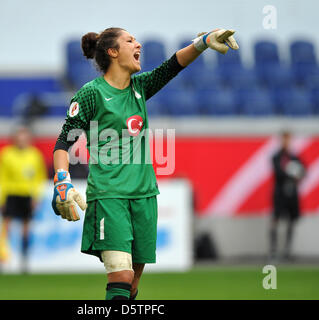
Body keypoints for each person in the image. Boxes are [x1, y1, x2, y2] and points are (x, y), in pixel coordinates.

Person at [52, 27, 238, 300]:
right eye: (129, 41)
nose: (137, 44)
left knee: (133, 283)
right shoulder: (90, 94)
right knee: (121, 274)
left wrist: (204, 42)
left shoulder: (140, 87)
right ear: (113, 52)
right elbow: (62, 143)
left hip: (145, 196)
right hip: (109, 196)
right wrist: (62, 181)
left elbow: (173, 66)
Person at [0, 126, 47, 273]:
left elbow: (39, 178)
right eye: (19, 138)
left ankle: (24, 262)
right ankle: (0, 261)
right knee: (5, 228)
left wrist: (36, 196)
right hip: (11, 194)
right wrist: (1, 199)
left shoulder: (35, 155)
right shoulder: (6, 154)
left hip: (27, 195)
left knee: (26, 229)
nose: (22, 141)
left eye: (25, 138)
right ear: (14, 139)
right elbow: (1, 178)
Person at [269, 131, 306, 262]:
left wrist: (293, 172)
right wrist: (291, 171)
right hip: (280, 194)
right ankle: (273, 251)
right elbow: (278, 173)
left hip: (292, 193)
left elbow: (303, 172)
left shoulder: (294, 157)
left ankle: (287, 251)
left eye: (289, 139)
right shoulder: (276, 157)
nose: (287, 142)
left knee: (291, 221)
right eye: (284, 139)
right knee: (275, 220)